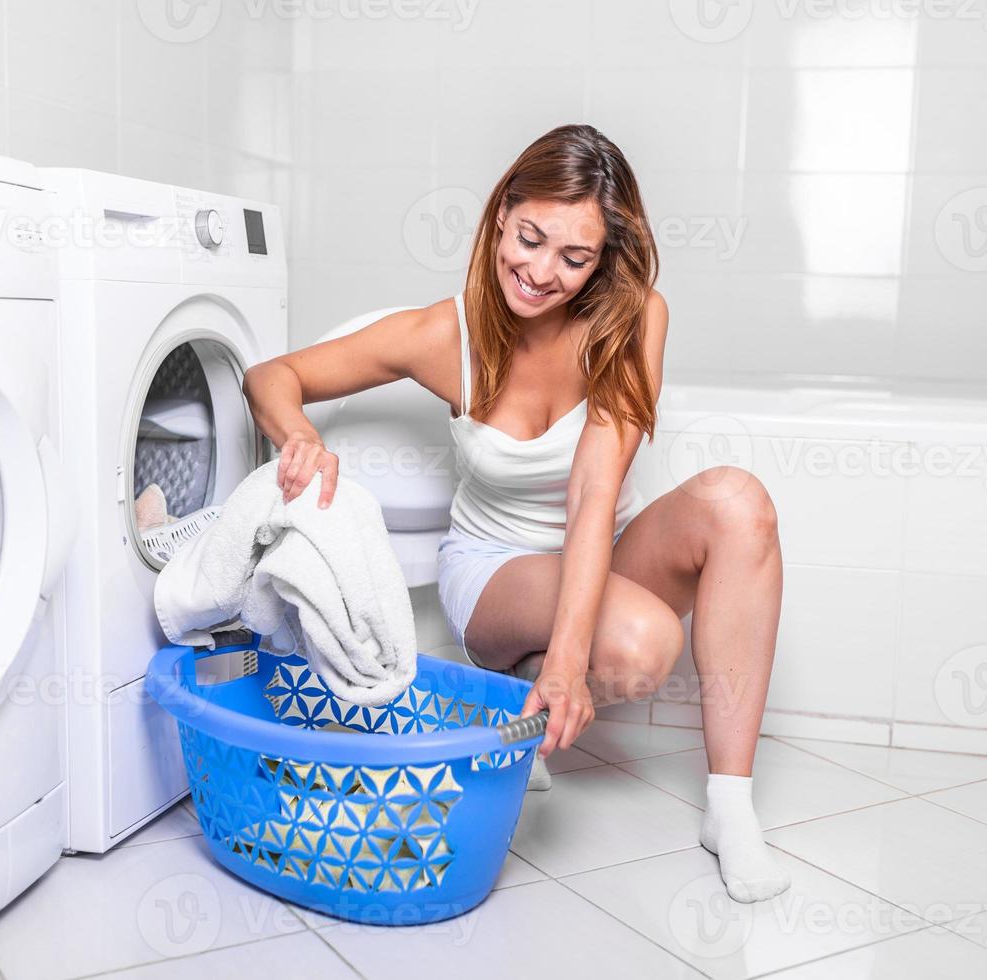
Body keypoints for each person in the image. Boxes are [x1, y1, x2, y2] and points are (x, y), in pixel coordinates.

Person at [242, 124, 789, 903]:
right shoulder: (445, 334)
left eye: (575, 258)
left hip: (601, 543)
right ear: (503, 213)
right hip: (495, 571)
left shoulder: (634, 319)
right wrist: (300, 438)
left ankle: (729, 806)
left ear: (605, 261)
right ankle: (517, 677)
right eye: (530, 239)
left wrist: (569, 663)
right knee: (643, 645)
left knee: (740, 502)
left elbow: (594, 492)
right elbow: (273, 375)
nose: (539, 273)